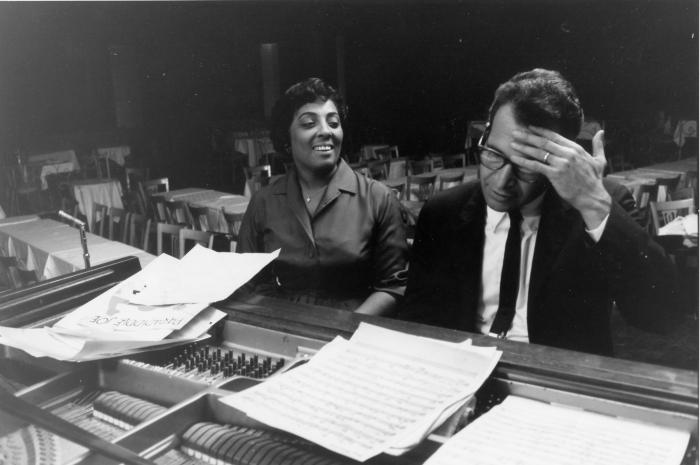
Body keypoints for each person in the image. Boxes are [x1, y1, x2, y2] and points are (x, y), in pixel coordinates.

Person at [401, 69, 678, 355]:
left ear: (560, 161)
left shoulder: (598, 203)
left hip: (557, 380)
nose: (502, 181)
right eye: (494, 155)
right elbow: (417, 319)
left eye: (526, 166)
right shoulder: (443, 212)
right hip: (463, 368)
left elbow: (662, 317)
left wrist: (592, 202)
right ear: (484, 136)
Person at [237, 77, 408, 316]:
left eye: (333, 122)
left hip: (354, 332)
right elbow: (246, 282)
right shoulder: (263, 201)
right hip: (283, 327)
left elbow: (393, 287)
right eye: (309, 123)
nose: (326, 131)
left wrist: (344, 327)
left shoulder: (378, 198)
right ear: (287, 138)